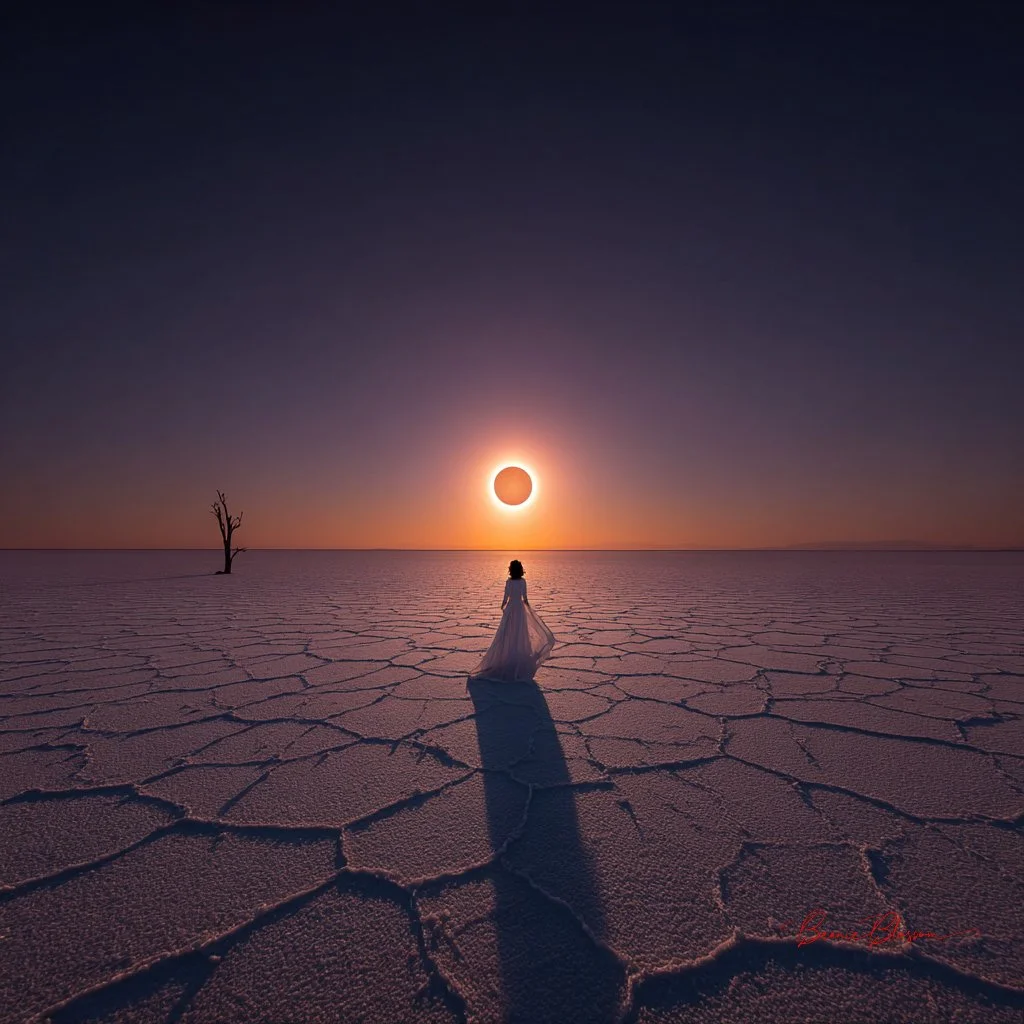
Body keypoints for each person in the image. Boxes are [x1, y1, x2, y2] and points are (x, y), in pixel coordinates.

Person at [470, 559, 556, 682]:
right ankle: (517, 660)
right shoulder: (522, 582)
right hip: (520, 609)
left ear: (511, 569)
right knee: (520, 634)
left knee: (508, 633)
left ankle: (509, 659)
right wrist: (529, 609)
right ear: (520, 569)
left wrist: (503, 605)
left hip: (511, 609)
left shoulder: (509, 582)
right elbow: (525, 598)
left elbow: (506, 596)